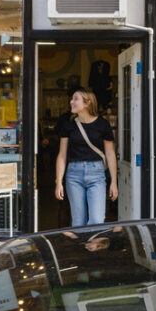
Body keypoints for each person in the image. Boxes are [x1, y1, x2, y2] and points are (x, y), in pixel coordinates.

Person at [55, 88, 118, 226]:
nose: (71, 102)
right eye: (72, 99)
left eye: (75, 99)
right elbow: (62, 155)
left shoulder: (103, 124)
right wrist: (58, 181)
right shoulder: (68, 125)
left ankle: (91, 246)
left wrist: (114, 181)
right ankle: (83, 247)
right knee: (78, 222)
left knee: (96, 220)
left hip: (97, 174)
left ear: (87, 103)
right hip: (73, 174)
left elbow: (110, 153)